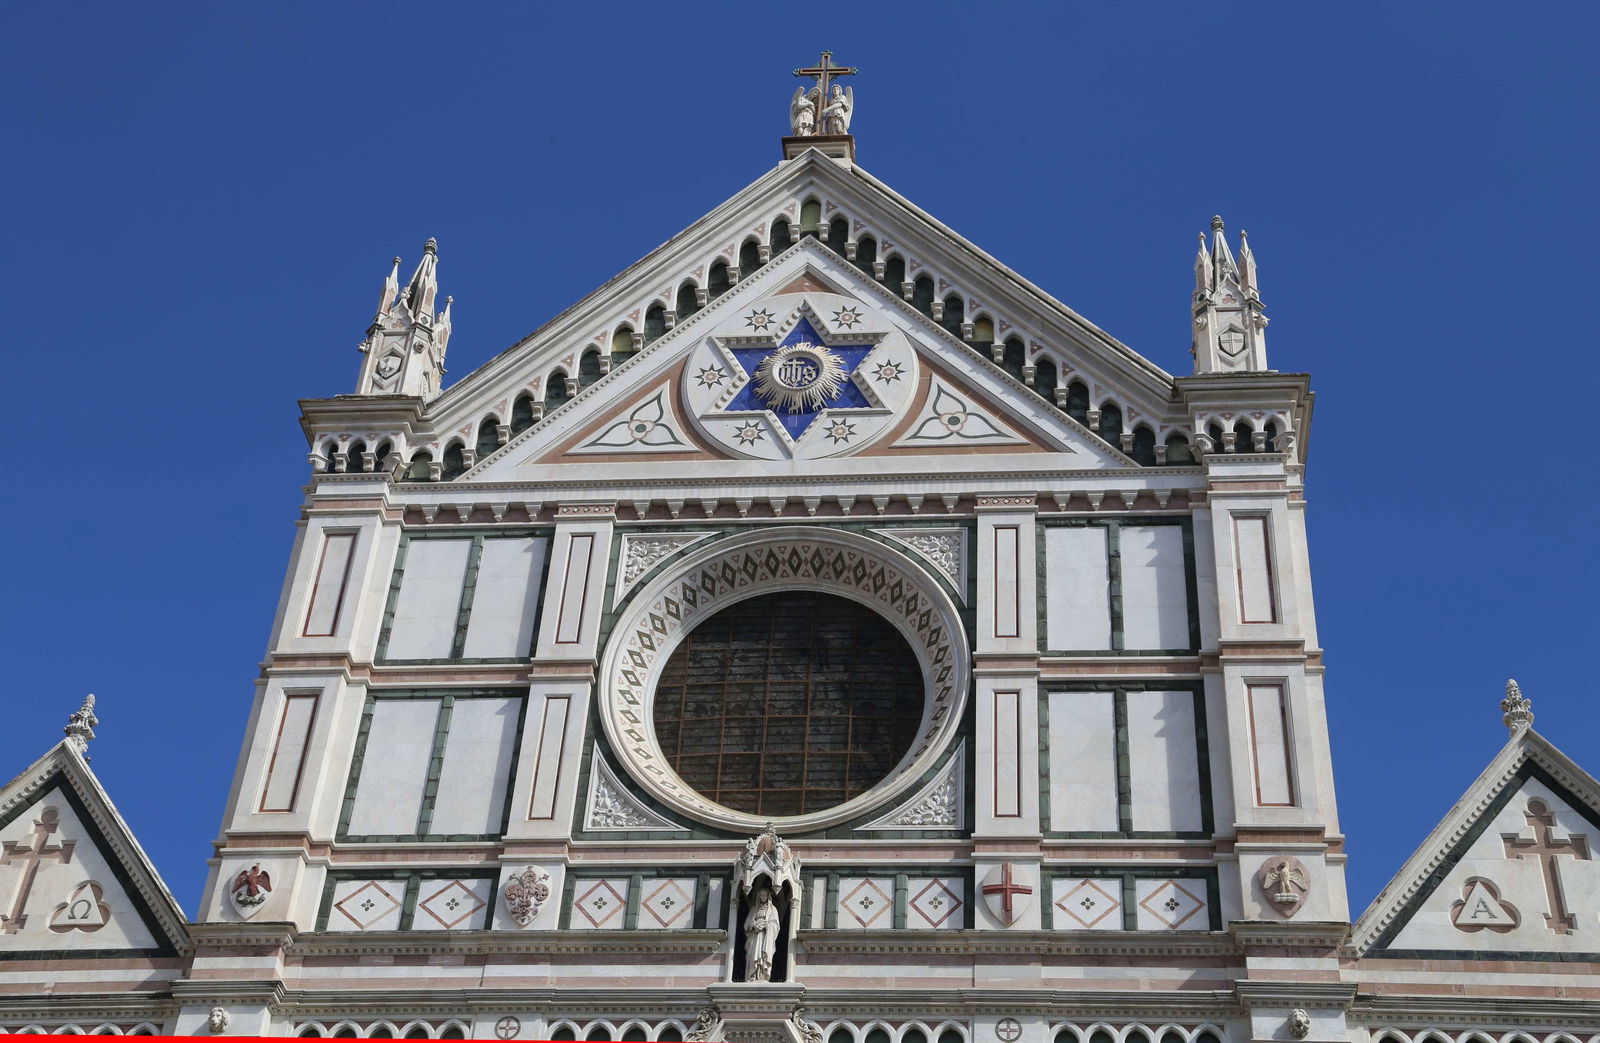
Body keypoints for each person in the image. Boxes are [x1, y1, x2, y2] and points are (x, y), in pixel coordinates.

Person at [743, 885, 781, 982]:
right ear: (758, 896)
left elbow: (776, 925)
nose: (763, 897)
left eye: (764, 896)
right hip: (755, 935)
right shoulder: (754, 909)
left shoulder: (773, 909)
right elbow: (747, 924)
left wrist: (766, 926)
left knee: (762, 956)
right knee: (753, 955)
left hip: (765, 936)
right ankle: (752, 975)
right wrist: (753, 925)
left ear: (768, 896)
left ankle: (762, 975)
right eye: (761, 896)